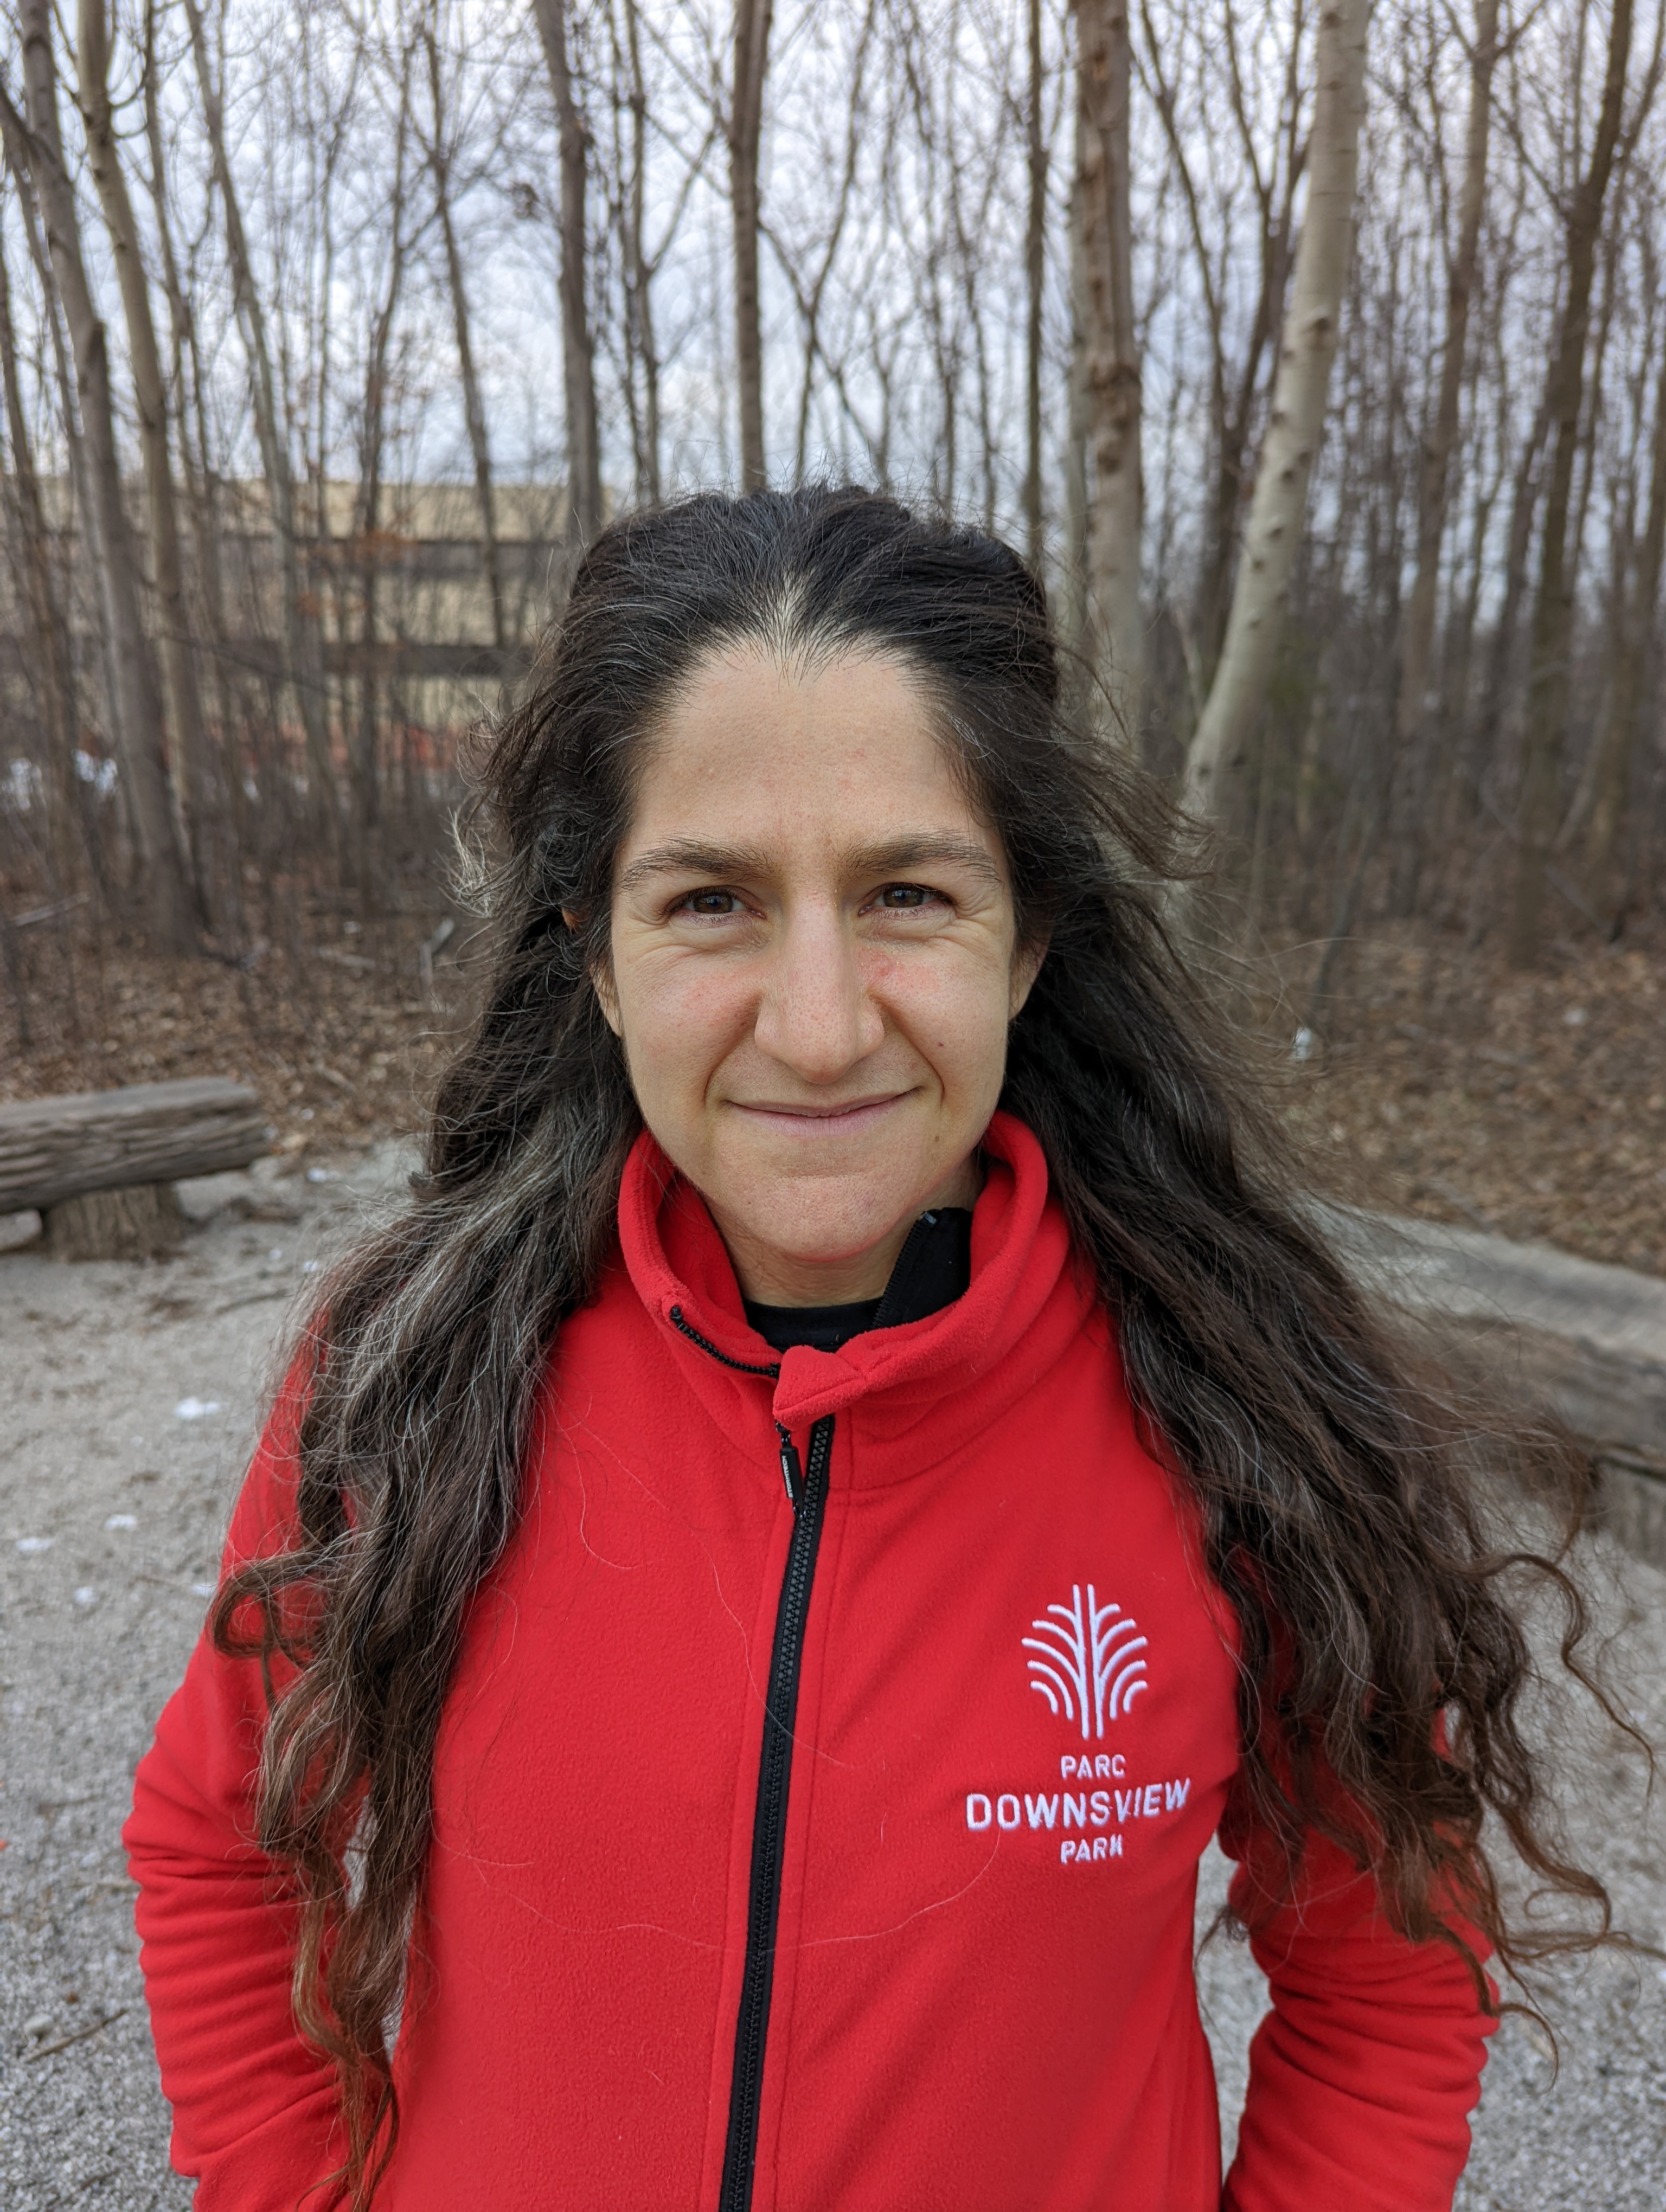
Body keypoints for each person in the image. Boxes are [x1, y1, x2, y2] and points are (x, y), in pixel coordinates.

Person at [126, 487, 1616, 2212]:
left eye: (907, 891)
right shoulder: (405, 1379)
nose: (820, 1028)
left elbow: (1390, 1969)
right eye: (711, 903)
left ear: (1032, 939)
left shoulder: (1245, 1416)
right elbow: (225, 1846)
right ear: (592, 956)